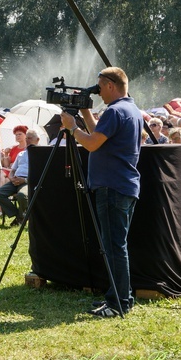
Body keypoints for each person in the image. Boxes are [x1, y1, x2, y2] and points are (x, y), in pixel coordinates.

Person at [60, 66, 143, 318]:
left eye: (99, 87)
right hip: (124, 185)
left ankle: (118, 303)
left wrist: (73, 128)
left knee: (114, 247)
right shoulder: (130, 109)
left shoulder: (115, 111)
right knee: (118, 246)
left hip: (112, 187)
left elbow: (93, 144)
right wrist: (85, 108)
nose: (99, 93)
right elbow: (99, 134)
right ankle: (120, 299)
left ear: (110, 85)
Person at [0, 129, 40, 226]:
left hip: (29, 181)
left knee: (22, 195)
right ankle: (19, 215)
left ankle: (21, 217)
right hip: (16, 179)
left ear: (37, 140)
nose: (28, 141)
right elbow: (13, 170)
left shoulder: (41, 154)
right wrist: (11, 178)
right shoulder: (21, 154)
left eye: (30, 138)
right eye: (27, 139)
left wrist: (25, 180)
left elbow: (40, 173)